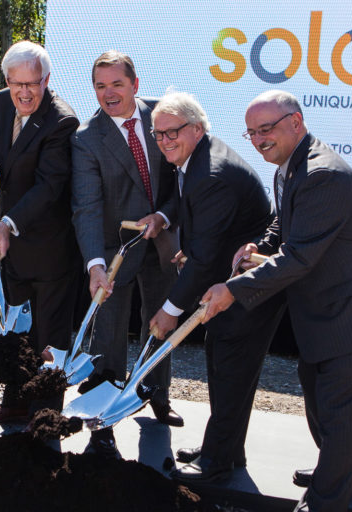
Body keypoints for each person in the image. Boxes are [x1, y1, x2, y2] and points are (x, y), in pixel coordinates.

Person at [199, 90, 352, 512]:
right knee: (319, 393)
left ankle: (326, 499)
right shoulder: (288, 166)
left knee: (339, 405)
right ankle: (349, 468)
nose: (259, 140)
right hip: (330, 306)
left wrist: (232, 290)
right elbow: (285, 223)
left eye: (267, 129)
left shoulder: (321, 174)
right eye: (252, 132)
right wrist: (262, 241)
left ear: (296, 122)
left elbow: (300, 257)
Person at [144, 92, 285, 481]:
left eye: (172, 132)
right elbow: (206, 233)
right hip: (228, 278)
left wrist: (170, 310)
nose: (164, 140)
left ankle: (217, 462)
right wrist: (192, 250)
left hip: (248, 289)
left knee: (232, 370)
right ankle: (223, 448)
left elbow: (207, 257)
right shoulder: (195, 157)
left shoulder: (211, 173)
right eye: (158, 134)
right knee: (223, 365)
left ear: (197, 128)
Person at [71, 51, 183, 457]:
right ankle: (102, 425)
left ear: (135, 84)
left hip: (164, 245)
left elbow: (181, 183)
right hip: (113, 253)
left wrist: (164, 216)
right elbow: (86, 206)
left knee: (160, 323)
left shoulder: (165, 117)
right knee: (109, 335)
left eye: (116, 84)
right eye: (100, 86)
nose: (108, 94)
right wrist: (96, 266)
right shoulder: (86, 138)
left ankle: (156, 394)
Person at [0, 41, 82, 422]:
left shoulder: (62, 121)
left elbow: (49, 187)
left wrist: (6, 223)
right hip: (12, 247)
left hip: (51, 250)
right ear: (7, 80)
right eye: (16, 83)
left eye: (32, 84)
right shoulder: (4, 102)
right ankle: (14, 405)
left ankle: (44, 418)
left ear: (47, 80)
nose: (23, 92)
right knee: (16, 330)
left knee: (50, 337)